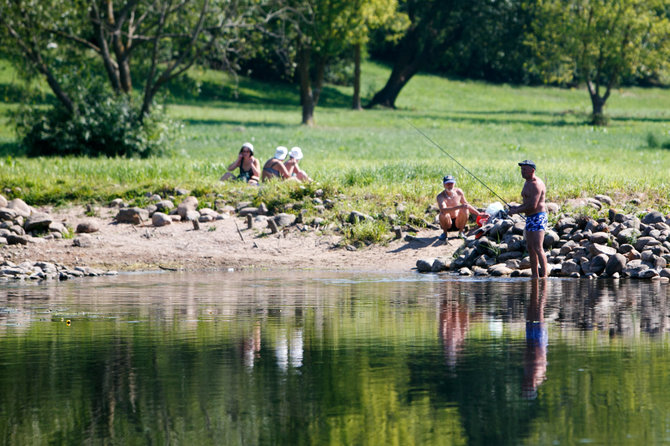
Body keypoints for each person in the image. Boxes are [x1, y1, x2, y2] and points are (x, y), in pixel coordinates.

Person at [508, 160, 548, 278]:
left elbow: (532, 205)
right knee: (530, 248)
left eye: (525, 169)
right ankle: (534, 275)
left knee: (538, 247)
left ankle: (544, 276)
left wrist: (516, 210)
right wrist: (516, 207)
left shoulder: (536, 184)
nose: (522, 172)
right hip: (530, 217)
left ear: (532, 170)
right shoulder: (527, 182)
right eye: (521, 169)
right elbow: (527, 204)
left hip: (538, 217)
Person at [436, 175, 485, 240]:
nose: (450, 186)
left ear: (454, 183)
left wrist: (479, 214)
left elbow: (467, 205)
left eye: (451, 183)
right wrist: (459, 207)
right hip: (447, 223)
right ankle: (444, 233)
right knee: (442, 214)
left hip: (458, 222)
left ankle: (461, 232)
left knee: (465, 209)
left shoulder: (458, 192)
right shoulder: (440, 196)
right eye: (448, 184)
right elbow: (443, 210)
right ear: (444, 185)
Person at [522, 279, 548, 400]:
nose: (525, 383)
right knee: (534, 310)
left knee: (537, 310)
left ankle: (542, 286)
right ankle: (540, 287)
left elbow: (532, 356)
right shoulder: (536, 375)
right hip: (536, 341)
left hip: (535, 341)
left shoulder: (535, 374)